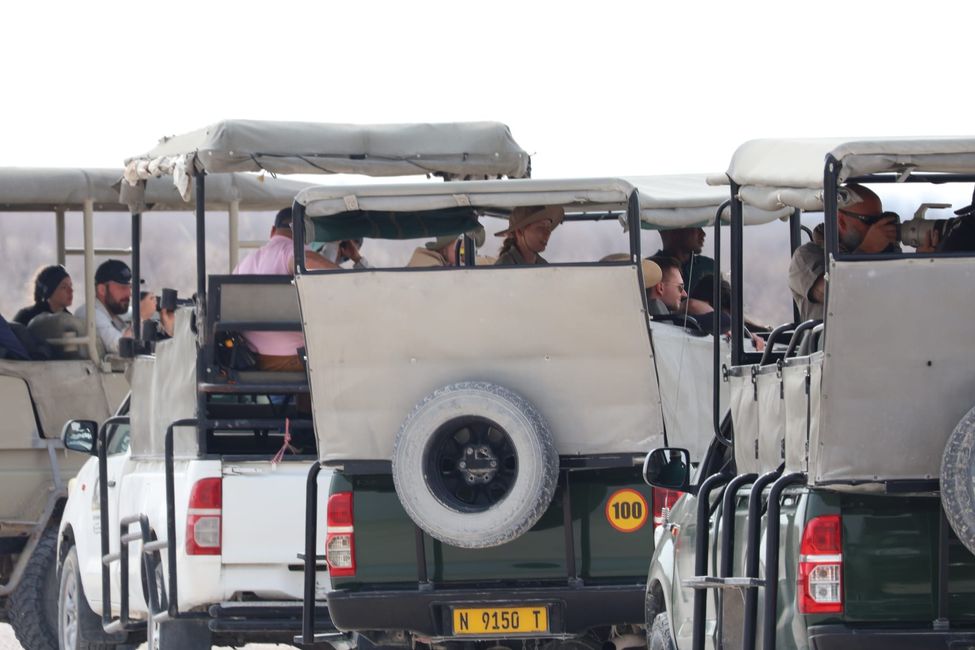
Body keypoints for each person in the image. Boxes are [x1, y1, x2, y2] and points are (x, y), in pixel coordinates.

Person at [788, 184, 919, 321]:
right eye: (870, 221)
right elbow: (834, 294)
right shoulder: (806, 257)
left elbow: (906, 297)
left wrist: (923, 261)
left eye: (879, 220)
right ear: (841, 221)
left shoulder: (886, 252)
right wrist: (867, 249)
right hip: (834, 341)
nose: (876, 228)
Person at [233, 207, 337, 372]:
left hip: (252, 360)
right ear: (305, 236)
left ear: (272, 230)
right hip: (295, 360)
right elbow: (313, 263)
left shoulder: (244, 263)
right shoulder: (292, 253)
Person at [74, 259, 134, 356]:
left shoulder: (111, 313)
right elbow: (120, 346)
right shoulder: (90, 313)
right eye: (122, 288)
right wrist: (141, 316)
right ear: (102, 289)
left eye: (129, 287)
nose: (129, 293)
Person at [494, 205, 564, 266]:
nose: (548, 233)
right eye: (540, 227)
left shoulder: (543, 264)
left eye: (548, 227)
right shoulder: (503, 266)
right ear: (519, 231)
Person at [654, 227, 715, 294]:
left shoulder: (709, 266)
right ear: (675, 231)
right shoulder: (649, 268)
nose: (703, 234)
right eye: (696, 227)